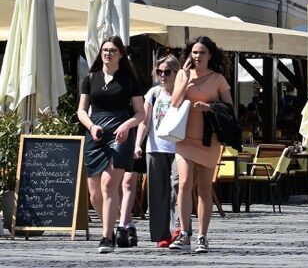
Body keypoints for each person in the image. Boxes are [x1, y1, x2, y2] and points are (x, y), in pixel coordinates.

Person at [77, 36, 147, 254]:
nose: (107, 53)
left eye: (112, 50)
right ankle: (119, 225)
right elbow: (81, 110)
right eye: (105, 50)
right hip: (95, 134)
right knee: (94, 195)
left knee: (108, 185)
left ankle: (106, 238)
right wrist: (91, 127)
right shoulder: (91, 77)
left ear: (120, 54)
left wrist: (127, 125)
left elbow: (140, 112)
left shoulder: (128, 79)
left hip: (120, 134)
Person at [169, 36, 232, 253]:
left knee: (204, 188)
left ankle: (202, 236)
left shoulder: (218, 79)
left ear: (210, 55)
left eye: (202, 52)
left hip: (208, 140)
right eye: (194, 52)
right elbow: (174, 102)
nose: (197, 56)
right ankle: (185, 233)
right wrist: (185, 78)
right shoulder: (182, 75)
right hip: (184, 138)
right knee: (184, 182)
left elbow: (230, 108)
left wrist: (210, 107)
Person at [136, 53, 180, 248]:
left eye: (167, 72)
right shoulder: (153, 93)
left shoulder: (182, 92)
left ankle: (179, 228)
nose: (163, 75)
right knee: (157, 192)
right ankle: (162, 234)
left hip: (179, 147)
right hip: (155, 148)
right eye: (159, 71)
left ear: (176, 73)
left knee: (178, 188)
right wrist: (138, 143)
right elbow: (144, 122)